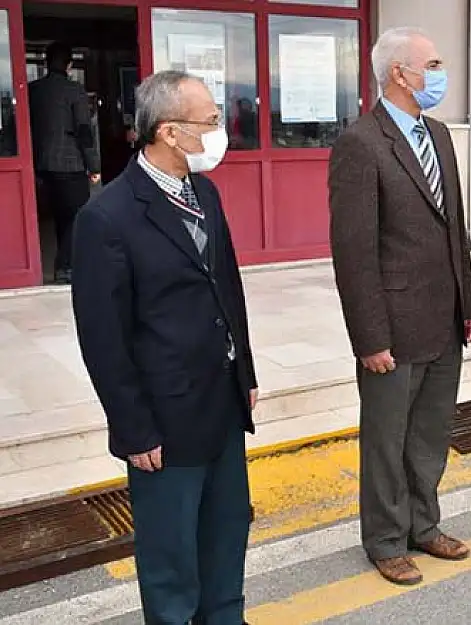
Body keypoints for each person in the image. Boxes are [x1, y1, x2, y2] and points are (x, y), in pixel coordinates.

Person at [70, 70, 259, 625]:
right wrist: (133, 428)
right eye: (211, 122)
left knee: (226, 536)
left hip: (221, 403)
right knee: (171, 558)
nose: (221, 132)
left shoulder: (206, 191)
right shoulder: (107, 218)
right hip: (165, 419)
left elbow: (229, 288)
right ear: (171, 133)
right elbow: (102, 338)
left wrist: (244, 374)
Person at [328, 26, 471, 586]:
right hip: (392, 323)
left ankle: (423, 523)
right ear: (400, 73)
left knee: (429, 435)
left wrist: (468, 301)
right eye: (433, 64)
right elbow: (354, 251)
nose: (441, 74)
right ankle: (386, 539)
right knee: (387, 440)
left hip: (443, 318)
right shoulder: (361, 143)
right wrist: (369, 338)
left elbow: (455, 228)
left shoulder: (438, 134)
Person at [29, 42, 101, 284]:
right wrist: (94, 166)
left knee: (61, 216)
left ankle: (65, 262)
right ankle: (65, 267)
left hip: (42, 163)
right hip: (70, 164)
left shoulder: (33, 90)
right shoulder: (74, 90)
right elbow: (83, 130)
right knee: (77, 215)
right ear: (69, 64)